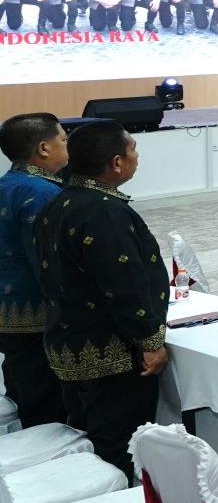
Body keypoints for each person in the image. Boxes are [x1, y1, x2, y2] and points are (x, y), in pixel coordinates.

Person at [33, 121, 168, 482]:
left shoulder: (57, 203)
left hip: (68, 342)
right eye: (133, 149)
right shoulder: (104, 211)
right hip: (110, 352)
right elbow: (124, 284)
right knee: (118, 449)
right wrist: (150, 341)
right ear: (116, 163)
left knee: (89, 437)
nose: (137, 156)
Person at [0, 114, 67, 428]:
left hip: (7, 307)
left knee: (20, 386)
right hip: (36, 312)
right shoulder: (41, 192)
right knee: (44, 401)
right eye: (63, 140)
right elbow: (48, 262)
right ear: (43, 148)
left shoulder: (7, 184)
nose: (67, 146)